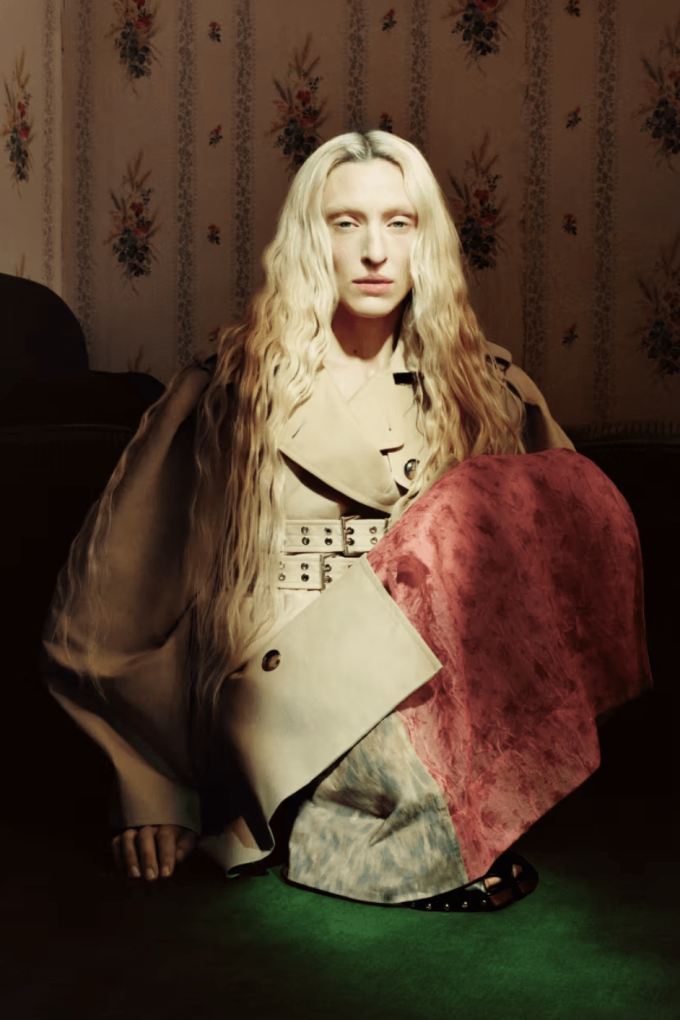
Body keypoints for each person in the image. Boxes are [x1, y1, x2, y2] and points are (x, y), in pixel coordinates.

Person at [41, 131, 651, 912]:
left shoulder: (488, 386)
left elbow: (568, 549)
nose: (373, 251)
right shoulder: (230, 391)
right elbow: (111, 608)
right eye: (345, 223)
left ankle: (430, 813)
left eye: (399, 223)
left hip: (433, 697)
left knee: (528, 491)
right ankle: (364, 835)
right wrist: (150, 789)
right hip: (283, 697)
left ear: (426, 240)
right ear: (310, 239)